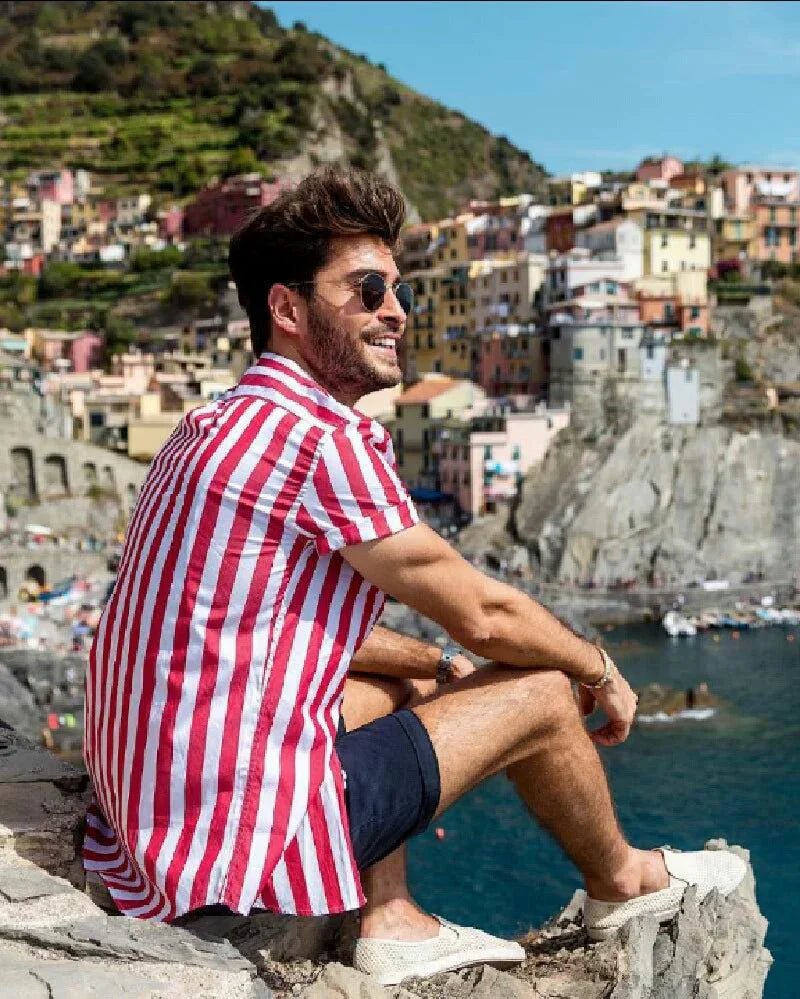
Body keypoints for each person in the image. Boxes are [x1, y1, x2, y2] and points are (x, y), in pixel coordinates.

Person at [82, 168, 745, 987]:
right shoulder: (323, 439)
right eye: (365, 290)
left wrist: (436, 670)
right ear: (287, 310)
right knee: (539, 686)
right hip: (232, 845)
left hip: (147, 822)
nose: (395, 309)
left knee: (405, 691)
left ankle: (390, 919)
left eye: (396, 289)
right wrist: (597, 668)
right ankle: (626, 880)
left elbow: (283, 623)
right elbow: (486, 613)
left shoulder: (211, 423)